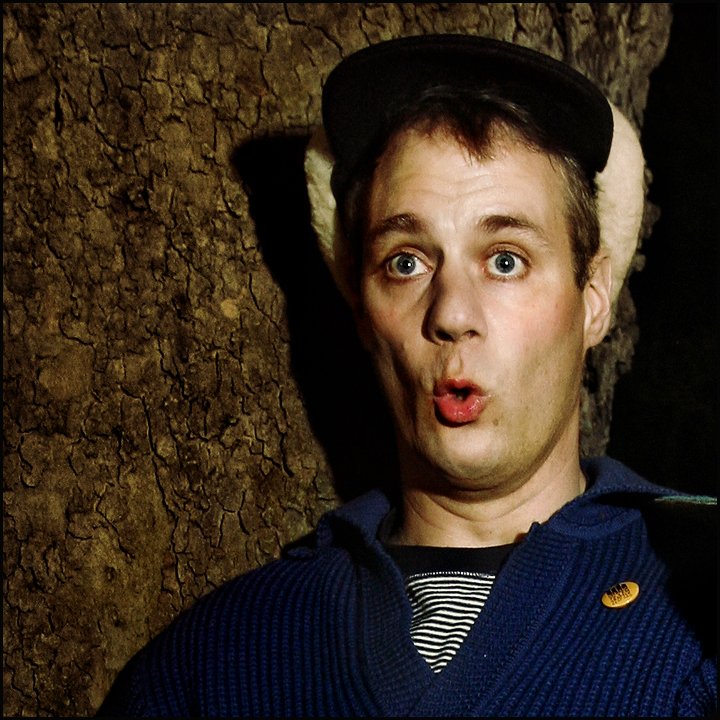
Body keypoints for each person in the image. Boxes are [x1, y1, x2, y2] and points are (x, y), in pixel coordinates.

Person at [97, 34, 717, 717]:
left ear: (593, 299)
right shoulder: (214, 663)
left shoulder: (701, 600)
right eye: (406, 262)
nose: (451, 313)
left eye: (505, 260)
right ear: (363, 313)